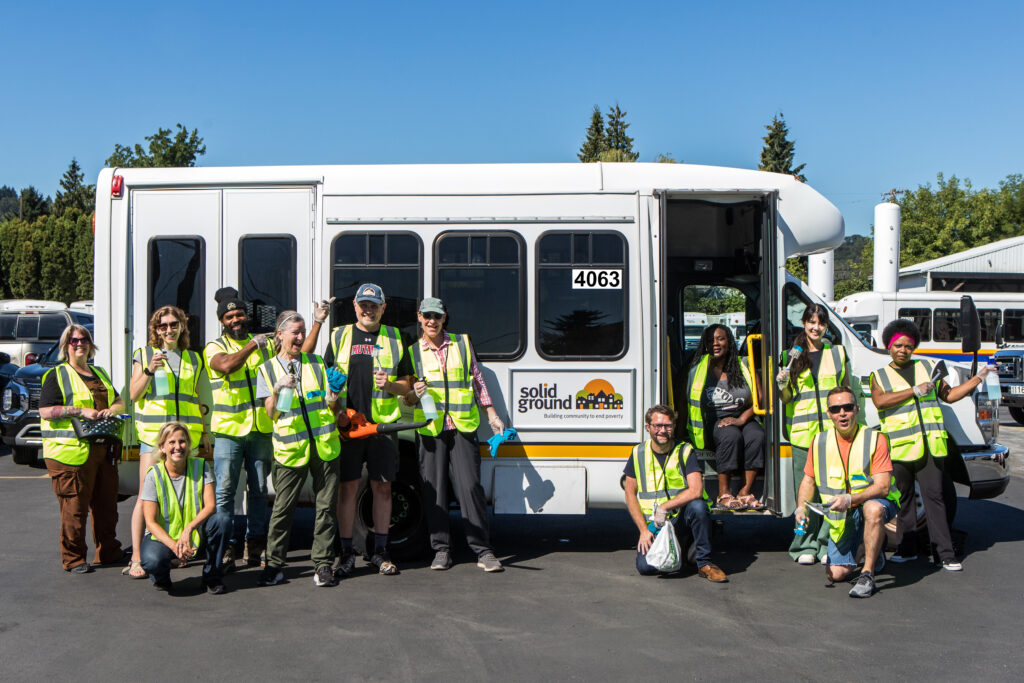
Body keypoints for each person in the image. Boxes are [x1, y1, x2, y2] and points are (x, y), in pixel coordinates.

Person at [302, 284, 410, 576]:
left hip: (383, 427)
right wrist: (336, 409)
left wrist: (390, 385)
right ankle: (346, 553)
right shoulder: (339, 335)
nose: (368, 309)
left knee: (383, 488)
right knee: (347, 489)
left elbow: (408, 385)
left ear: (383, 308)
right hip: (348, 427)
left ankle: (381, 552)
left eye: (374, 305)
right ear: (354, 306)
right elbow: (324, 377)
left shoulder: (396, 336)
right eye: (363, 304)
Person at [869, 319, 988, 571]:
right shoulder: (878, 375)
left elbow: (950, 395)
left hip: (930, 446)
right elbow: (880, 402)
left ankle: (945, 554)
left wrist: (977, 380)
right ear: (889, 347)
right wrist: (914, 390)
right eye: (898, 345)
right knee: (904, 499)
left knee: (935, 498)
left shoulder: (928, 367)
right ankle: (906, 549)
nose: (903, 350)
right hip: (900, 447)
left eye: (908, 346)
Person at [402, 297, 505, 572]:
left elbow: (478, 381)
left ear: (444, 317)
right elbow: (407, 399)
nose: (431, 321)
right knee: (433, 491)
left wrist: (492, 415)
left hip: (463, 426)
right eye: (427, 316)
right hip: (431, 429)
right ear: (419, 318)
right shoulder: (412, 352)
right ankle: (441, 550)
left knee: (470, 488)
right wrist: (413, 395)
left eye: (437, 316)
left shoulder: (461, 343)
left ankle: (483, 551)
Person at [255, 311, 342, 587]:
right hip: (291, 449)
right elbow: (271, 413)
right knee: (282, 509)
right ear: (279, 334)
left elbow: (333, 408)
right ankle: (274, 565)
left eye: (303, 332)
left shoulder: (316, 363)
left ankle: (323, 564)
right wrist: (279, 389)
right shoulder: (267, 369)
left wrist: (334, 399)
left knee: (326, 508)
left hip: (324, 446)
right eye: (295, 332)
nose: (300, 337)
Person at [123, 305, 210, 580]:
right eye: (163, 326)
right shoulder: (145, 354)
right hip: (154, 438)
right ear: (155, 330)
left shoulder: (194, 359)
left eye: (174, 324)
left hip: (186, 438)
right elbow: (134, 395)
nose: (169, 330)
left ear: (182, 326)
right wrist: (149, 370)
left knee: (185, 498)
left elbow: (199, 398)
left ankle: (177, 549)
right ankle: (137, 556)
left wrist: (206, 434)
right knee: (145, 496)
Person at [795, 386, 901, 598]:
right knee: (835, 574)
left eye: (847, 407)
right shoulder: (819, 441)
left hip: (875, 503)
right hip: (843, 515)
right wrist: (800, 509)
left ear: (857, 409)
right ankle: (868, 546)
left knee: (872, 509)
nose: (842, 413)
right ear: (829, 414)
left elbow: (882, 487)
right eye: (835, 409)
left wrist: (850, 498)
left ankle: (867, 574)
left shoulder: (875, 439)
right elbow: (808, 480)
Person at [39, 324, 125, 573]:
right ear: (66, 346)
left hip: (103, 451)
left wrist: (114, 409)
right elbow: (45, 410)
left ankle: (108, 552)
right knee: (74, 510)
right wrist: (79, 410)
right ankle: (74, 558)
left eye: (84, 339)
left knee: (107, 507)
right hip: (70, 455)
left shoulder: (100, 373)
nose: (80, 344)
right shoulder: (58, 374)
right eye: (74, 340)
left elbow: (118, 400)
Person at [203, 287, 275, 571]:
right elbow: (227, 366)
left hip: (259, 430)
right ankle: (226, 546)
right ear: (222, 321)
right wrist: (253, 345)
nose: (236, 319)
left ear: (247, 316)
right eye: (230, 316)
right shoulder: (215, 347)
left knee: (258, 490)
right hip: (229, 432)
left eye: (240, 314)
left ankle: (255, 545)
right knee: (225, 491)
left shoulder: (265, 346)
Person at [777, 304, 850, 566]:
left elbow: (849, 394)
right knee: (805, 495)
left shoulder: (838, 355)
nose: (815, 327)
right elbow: (786, 399)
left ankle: (825, 544)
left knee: (830, 493)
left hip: (832, 435)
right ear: (804, 324)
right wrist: (782, 383)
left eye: (820, 323)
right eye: (811, 322)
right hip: (802, 435)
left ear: (826, 327)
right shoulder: (791, 355)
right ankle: (803, 544)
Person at [623, 405, 726, 582]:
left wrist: (664, 507)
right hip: (655, 525)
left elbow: (696, 490)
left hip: (680, 519)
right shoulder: (638, 452)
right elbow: (630, 494)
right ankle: (682, 549)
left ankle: (705, 563)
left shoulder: (685, 450)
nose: (663, 430)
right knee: (645, 567)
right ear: (648, 427)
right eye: (657, 425)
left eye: (668, 426)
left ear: (674, 427)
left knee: (698, 506)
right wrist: (643, 531)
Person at [139, 422, 230, 593]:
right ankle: (161, 578)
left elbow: (211, 506)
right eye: (171, 442)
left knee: (222, 520)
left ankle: (212, 578)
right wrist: (175, 546)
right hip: (164, 538)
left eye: (182, 441)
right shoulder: (154, 474)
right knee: (152, 560)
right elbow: (150, 523)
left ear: (188, 444)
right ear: (162, 447)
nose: (177, 447)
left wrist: (188, 529)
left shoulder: (201, 466)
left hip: (194, 533)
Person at [685, 324, 765, 510]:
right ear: (704, 344)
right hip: (714, 421)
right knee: (730, 435)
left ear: (729, 342)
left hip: (744, 416)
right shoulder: (696, 368)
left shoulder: (744, 364)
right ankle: (724, 493)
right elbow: (684, 402)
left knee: (757, 435)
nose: (715, 343)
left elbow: (759, 399)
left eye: (720, 338)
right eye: (711, 340)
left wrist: (742, 419)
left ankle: (745, 492)